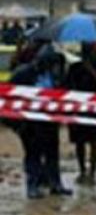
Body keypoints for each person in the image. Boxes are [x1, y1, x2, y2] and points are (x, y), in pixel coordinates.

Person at [9, 43, 70, 198]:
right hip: (28, 123)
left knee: (52, 153)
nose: (53, 66)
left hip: (50, 121)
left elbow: (63, 93)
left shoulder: (55, 75)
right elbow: (8, 97)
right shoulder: (23, 74)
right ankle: (32, 186)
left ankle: (55, 184)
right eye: (50, 63)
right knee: (33, 154)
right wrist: (17, 124)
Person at [62, 41, 96, 185]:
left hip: (95, 110)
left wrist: (91, 70)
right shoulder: (74, 68)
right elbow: (66, 88)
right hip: (78, 110)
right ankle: (82, 170)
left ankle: (93, 172)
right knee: (79, 142)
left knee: (94, 141)